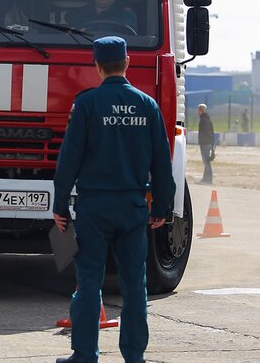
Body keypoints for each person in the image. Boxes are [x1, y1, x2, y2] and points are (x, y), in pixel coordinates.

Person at [53, 36, 174, 363]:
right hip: (133, 207)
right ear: (127, 62)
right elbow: (162, 162)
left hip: (94, 208)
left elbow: (69, 158)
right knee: (135, 283)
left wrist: (60, 204)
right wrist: (162, 206)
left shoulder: (88, 104)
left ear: (97, 65)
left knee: (89, 280)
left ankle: (84, 355)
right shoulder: (147, 105)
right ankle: (134, 356)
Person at [197, 104, 215, 184]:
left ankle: (209, 179)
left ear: (201, 110)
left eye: (198, 110)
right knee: (206, 161)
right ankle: (205, 178)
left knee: (206, 161)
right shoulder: (207, 119)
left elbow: (205, 132)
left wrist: (202, 141)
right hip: (207, 142)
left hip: (205, 143)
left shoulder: (203, 120)